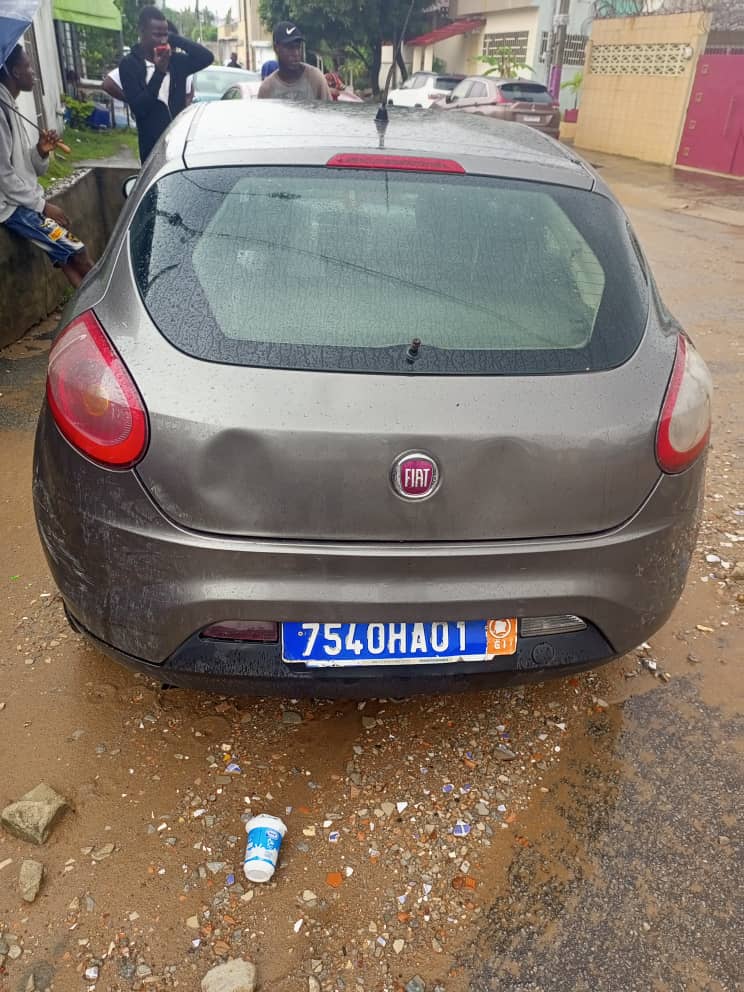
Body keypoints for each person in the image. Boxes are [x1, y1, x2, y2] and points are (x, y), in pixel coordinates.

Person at [0, 46, 93, 288]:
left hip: (24, 201)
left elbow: (26, 168)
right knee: (79, 253)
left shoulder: (10, 106)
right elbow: (4, 177)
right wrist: (43, 207)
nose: (34, 73)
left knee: (68, 260)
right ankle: (107, 303)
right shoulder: (0, 111)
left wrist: (41, 151)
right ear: (15, 72)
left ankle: (90, 305)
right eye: (29, 66)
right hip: (14, 209)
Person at [116, 6, 213, 162]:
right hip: (152, 150)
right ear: (141, 32)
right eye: (157, 34)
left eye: (165, 34)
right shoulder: (129, 65)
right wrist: (159, 73)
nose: (162, 40)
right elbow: (140, 108)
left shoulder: (175, 61)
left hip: (180, 144)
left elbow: (206, 57)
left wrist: (174, 38)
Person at [257, 22, 330, 101]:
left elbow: (328, 108)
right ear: (276, 48)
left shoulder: (315, 79)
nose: (296, 53)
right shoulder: (266, 89)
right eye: (290, 48)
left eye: (298, 47)